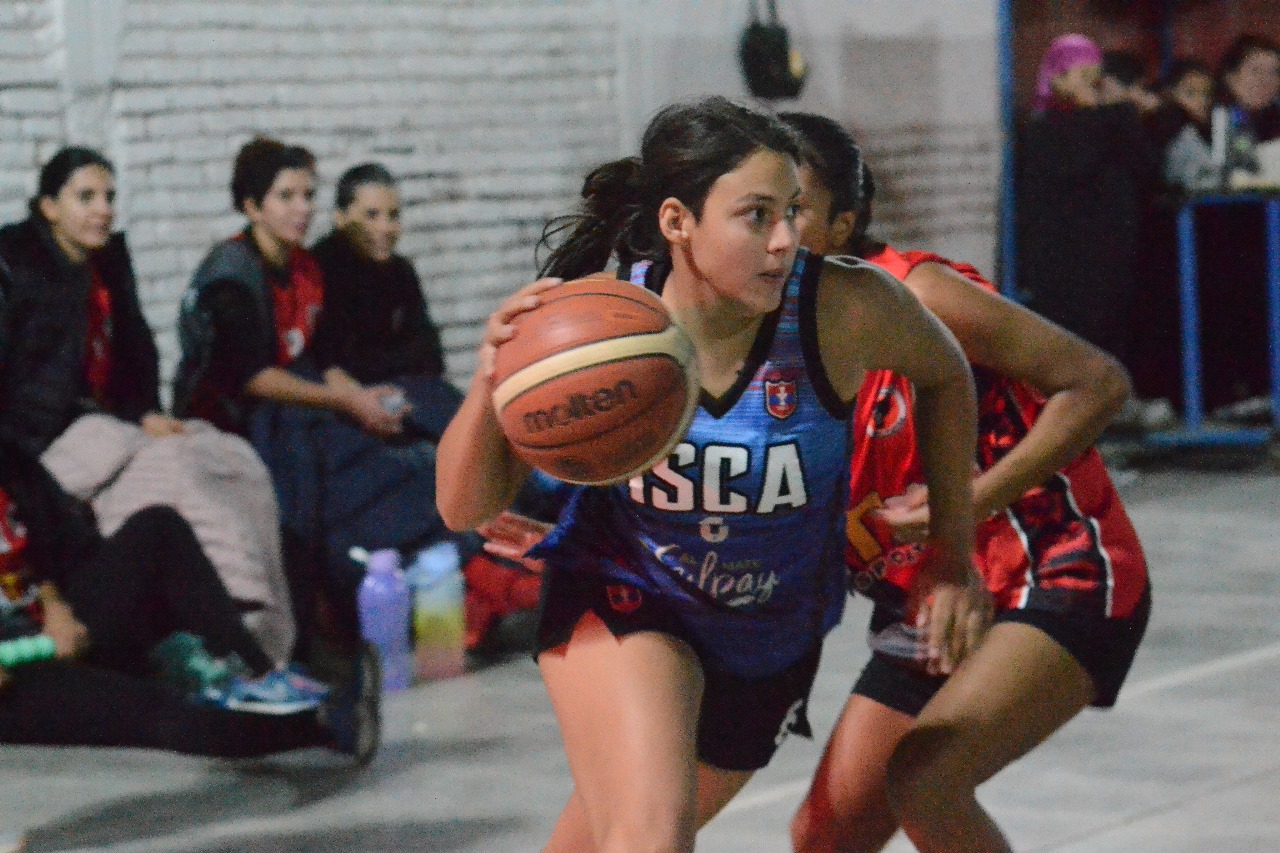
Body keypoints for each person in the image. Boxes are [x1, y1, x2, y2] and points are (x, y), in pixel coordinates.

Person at [436, 96, 988, 853]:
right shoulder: (597, 323)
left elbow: (948, 376)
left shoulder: (844, 306)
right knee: (652, 837)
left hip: (771, 633)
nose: (785, 238)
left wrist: (952, 554)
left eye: (793, 211)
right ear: (678, 221)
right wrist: (489, 379)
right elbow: (461, 508)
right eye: (756, 215)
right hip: (627, 591)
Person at [778, 111, 1152, 853]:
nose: (771, 232)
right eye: (753, 208)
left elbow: (1098, 381)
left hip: (1058, 565)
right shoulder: (752, 341)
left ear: (843, 224)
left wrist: (971, 502)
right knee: (826, 835)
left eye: (792, 209)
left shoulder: (918, 294)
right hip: (926, 595)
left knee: (928, 779)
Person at [0, 434, 380, 765]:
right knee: (154, 710)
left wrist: (56, 607)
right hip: (16, 674)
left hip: (54, 629)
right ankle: (321, 724)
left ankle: (256, 678)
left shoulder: (8, 456)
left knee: (157, 529)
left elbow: (55, 546)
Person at [0, 147, 181, 456]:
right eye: (86, 197)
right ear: (50, 208)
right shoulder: (18, 269)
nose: (104, 210)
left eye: (109, 198)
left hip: (105, 426)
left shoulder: (109, 265)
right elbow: (41, 393)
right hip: (35, 444)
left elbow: (135, 357)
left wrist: (142, 414)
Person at [1015, 35, 1157, 381]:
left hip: (1113, 252)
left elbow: (1147, 169)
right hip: (1066, 259)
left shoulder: (1112, 122)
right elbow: (1074, 163)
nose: (1090, 85)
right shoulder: (1044, 130)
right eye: (1080, 76)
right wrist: (1114, 112)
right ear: (1056, 80)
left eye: (1095, 76)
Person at [310, 162, 463, 443]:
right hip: (355, 403)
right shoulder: (318, 271)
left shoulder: (400, 271)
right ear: (340, 218)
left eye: (393, 216)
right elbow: (334, 362)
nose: (386, 227)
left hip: (412, 391)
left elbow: (430, 354)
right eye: (372, 215)